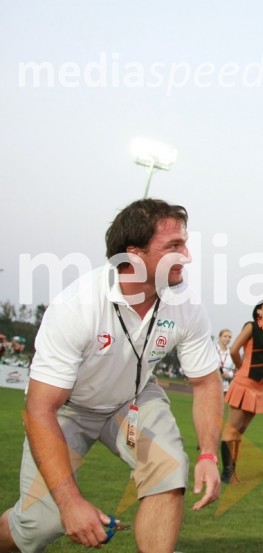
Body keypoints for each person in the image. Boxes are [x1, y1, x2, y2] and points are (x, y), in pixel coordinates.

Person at [0, 198, 222, 553]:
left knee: (168, 471)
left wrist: (209, 454)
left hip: (130, 401)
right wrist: (71, 505)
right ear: (134, 255)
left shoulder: (186, 304)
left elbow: (206, 381)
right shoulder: (78, 305)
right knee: (39, 525)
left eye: (185, 243)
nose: (188, 256)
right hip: (67, 410)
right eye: (173, 247)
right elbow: (39, 410)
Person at [221, 299, 263, 484]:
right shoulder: (251, 326)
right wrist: (242, 368)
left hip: (259, 385)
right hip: (244, 382)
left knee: (241, 431)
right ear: (259, 312)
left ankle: (233, 471)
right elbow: (234, 349)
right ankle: (227, 473)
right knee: (232, 430)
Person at [216, 328, 235, 395]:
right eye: (225, 336)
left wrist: (228, 375)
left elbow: (233, 370)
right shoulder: (212, 350)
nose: (227, 339)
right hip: (211, 384)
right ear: (219, 337)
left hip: (224, 387)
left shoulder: (231, 353)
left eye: (229, 337)